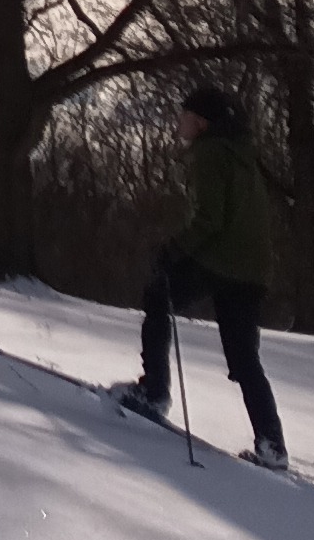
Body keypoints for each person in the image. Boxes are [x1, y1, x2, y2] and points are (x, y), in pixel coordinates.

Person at [116, 81, 290, 471]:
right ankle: (272, 445)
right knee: (244, 357)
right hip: (253, 270)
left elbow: (210, 219)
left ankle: (154, 392)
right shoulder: (243, 155)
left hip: (221, 260)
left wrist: (172, 250)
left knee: (158, 296)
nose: (179, 122)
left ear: (201, 122)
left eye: (185, 115)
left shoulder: (210, 153)